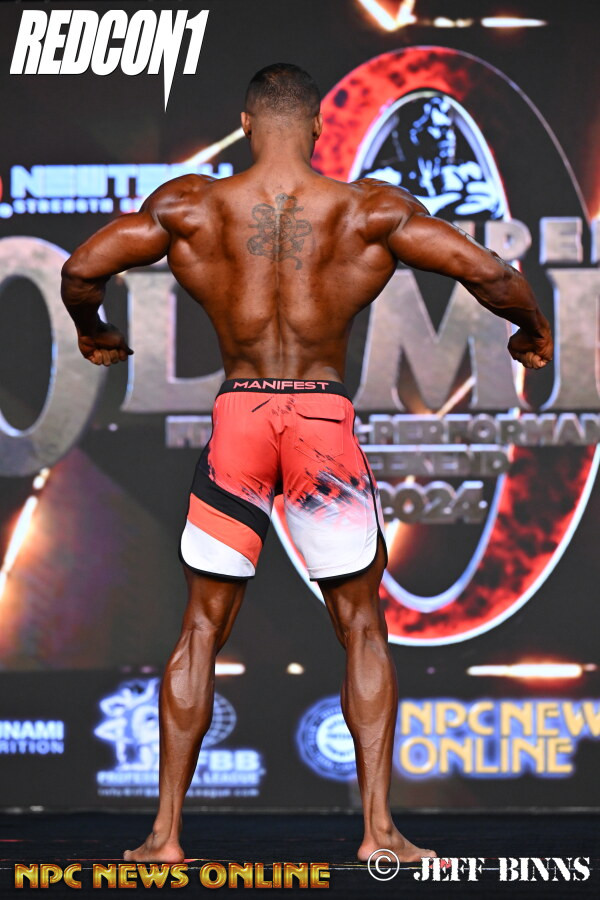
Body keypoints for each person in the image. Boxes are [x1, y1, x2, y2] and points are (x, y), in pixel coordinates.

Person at [61, 63, 553, 864]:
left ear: (247, 124)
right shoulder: (368, 210)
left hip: (240, 419)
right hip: (321, 423)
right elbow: (491, 274)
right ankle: (379, 834)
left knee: (201, 628)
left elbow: (81, 268)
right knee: (361, 626)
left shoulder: (192, 206)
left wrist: (97, 331)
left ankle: (164, 836)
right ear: (318, 125)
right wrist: (530, 330)